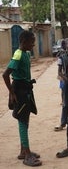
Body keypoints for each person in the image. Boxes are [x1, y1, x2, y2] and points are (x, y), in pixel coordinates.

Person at [2, 30, 42, 167]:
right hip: (20, 91)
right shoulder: (18, 55)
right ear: (24, 42)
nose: (34, 45)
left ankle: (23, 151)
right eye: (32, 42)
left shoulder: (26, 53)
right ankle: (27, 154)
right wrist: (12, 93)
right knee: (22, 120)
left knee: (25, 119)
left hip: (26, 89)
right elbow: (5, 75)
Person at [54, 38, 68, 131]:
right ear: (65, 46)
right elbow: (59, 72)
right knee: (66, 103)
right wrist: (65, 78)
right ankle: (63, 123)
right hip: (66, 83)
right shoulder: (61, 58)